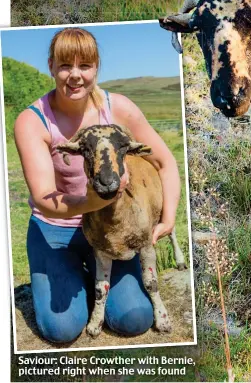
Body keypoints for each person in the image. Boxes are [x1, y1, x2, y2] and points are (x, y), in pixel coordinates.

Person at [14, 27, 182, 344]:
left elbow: (165, 162)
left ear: (96, 68)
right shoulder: (32, 121)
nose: (74, 75)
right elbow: (45, 198)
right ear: (51, 66)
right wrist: (95, 201)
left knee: (134, 319)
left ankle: (95, 274)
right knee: (60, 329)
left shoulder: (118, 109)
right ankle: (68, 272)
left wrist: (168, 218)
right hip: (55, 230)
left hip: (110, 229)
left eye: (85, 66)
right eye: (65, 65)